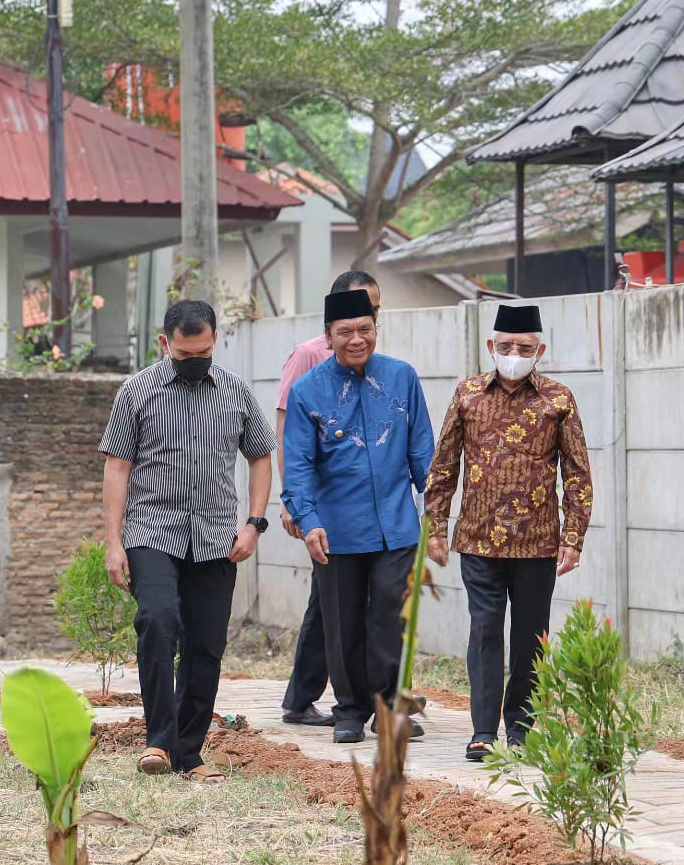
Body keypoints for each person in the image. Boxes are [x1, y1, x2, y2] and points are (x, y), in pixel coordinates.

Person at [100, 300, 275, 783]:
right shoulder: (136, 392)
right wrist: (114, 543)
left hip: (219, 537)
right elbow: (117, 467)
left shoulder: (236, 392)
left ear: (215, 341)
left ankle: (189, 753)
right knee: (158, 621)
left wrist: (254, 523)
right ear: (165, 344)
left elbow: (261, 456)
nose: (195, 359)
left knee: (206, 644)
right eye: (184, 353)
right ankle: (159, 740)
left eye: (203, 351)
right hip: (152, 529)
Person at [424, 304, 593, 762]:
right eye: (505, 346)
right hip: (478, 539)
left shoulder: (558, 399)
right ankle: (482, 731)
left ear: (540, 350)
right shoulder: (467, 395)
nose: (513, 354)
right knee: (484, 630)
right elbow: (444, 465)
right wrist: (436, 527)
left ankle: (521, 730)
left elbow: (577, 472)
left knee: (530, 635)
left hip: (538, 542)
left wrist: (573, 536)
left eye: (523, 347)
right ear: (490, 347)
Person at [281, 288, 435, 744]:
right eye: (345, 332)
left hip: (397, 525)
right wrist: (307, 521)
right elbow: (299, 463)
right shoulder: (308, 391)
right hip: (336, 530)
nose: (356, 339)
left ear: (375, 329)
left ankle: (389, 706)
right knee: (341, 621)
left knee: (390, 617)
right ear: (328, 337)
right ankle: (349, 709)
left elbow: (422, 448)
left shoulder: (403, 377)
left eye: (364, 329)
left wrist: (437, 505)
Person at [277, 271, 383, 727]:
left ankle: (303, 698)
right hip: (322, 504)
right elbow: (286, 429)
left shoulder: (376, 359)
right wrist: (291, 500)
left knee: (333, 606)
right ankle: (337, 702)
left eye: (374, 312)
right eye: (361, 309)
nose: (368, 319)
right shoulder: (308, 357)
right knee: (332, 605)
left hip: (366, 509)